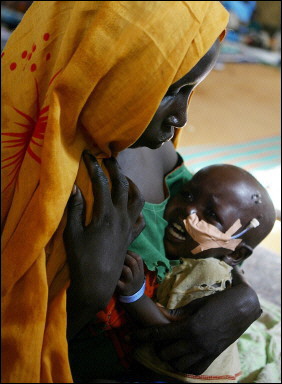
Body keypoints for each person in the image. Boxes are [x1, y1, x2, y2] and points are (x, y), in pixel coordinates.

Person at [1, 2, 262, 383]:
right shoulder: (22, 171)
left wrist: (241, 299)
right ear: (105, 66)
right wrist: (90, 292)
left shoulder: (153, 145)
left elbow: (214, 244)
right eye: (169, 88)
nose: (182, 118)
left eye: (191, 89)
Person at [115, 164, 276, 383]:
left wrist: (134, 295)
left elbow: (175, 332)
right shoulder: (195, 263)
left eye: (210, 214)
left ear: (235, 254)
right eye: (188, 194)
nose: (187, 210)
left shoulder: (207, 274)